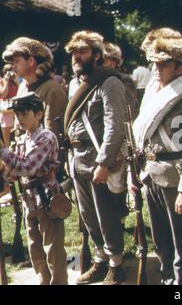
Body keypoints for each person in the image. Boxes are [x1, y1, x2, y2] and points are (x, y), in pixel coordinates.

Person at [133, 32, 182, 285]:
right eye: (155, 63)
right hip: (151, 170)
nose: (157, 69)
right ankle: (167, 278)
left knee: (181, 241)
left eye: (163, 64)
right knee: (160, 239)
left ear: (180, 67)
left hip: (176, 175)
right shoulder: (155, 91)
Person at [64, 31, 127, 285]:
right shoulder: (74, 83)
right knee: (88, 216)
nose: (77, 57)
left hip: (98, 156)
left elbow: (115, 126)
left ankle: (116, 264)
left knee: (106, 215)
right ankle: (99, 260)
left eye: (83, 52)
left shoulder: (110, 82)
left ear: (97, 55)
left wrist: (104, 162)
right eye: (73, 53)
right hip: (77, 156)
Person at [0, 93, 68, 285]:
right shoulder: (22, 140)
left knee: (53, 252)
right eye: (17, 114)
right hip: (29, 200)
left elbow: (27, 167)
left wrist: (4, 152)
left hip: (47, 198)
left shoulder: (46, 137)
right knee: (36, 252)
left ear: (39, 114)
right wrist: (4, 167)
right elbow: (16, 174)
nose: (20, 118)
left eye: (24, 113)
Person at [2, 37, 67, 138]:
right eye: (12, 62)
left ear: (31, 61)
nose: (13, 66)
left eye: (17, 61)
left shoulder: (52, 90)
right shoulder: (23, 86)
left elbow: (51, 134)